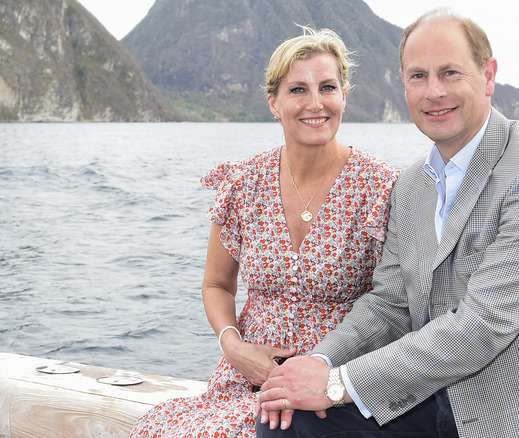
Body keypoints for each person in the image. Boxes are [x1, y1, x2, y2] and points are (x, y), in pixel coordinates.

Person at [254, 8, 519, 438]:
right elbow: (390, 303)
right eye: (418, 76)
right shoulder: (410, 187)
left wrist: (336, 386)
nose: (433, 92)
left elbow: (482, 326)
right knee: (289, 421)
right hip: (447, 402)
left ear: (488, 74)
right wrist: (320, 362)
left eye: (450, 73)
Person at [128, 26, 399, 438]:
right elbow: (217, 283)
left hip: (334, 386)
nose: (315, 103)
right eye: (297, 90)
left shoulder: (381, 188)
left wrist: (332, 374)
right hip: (244, 377)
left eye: (327, 87)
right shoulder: (244, 184)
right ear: (273, 103)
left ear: (344, 95)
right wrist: (234, 347)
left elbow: (395, 302)